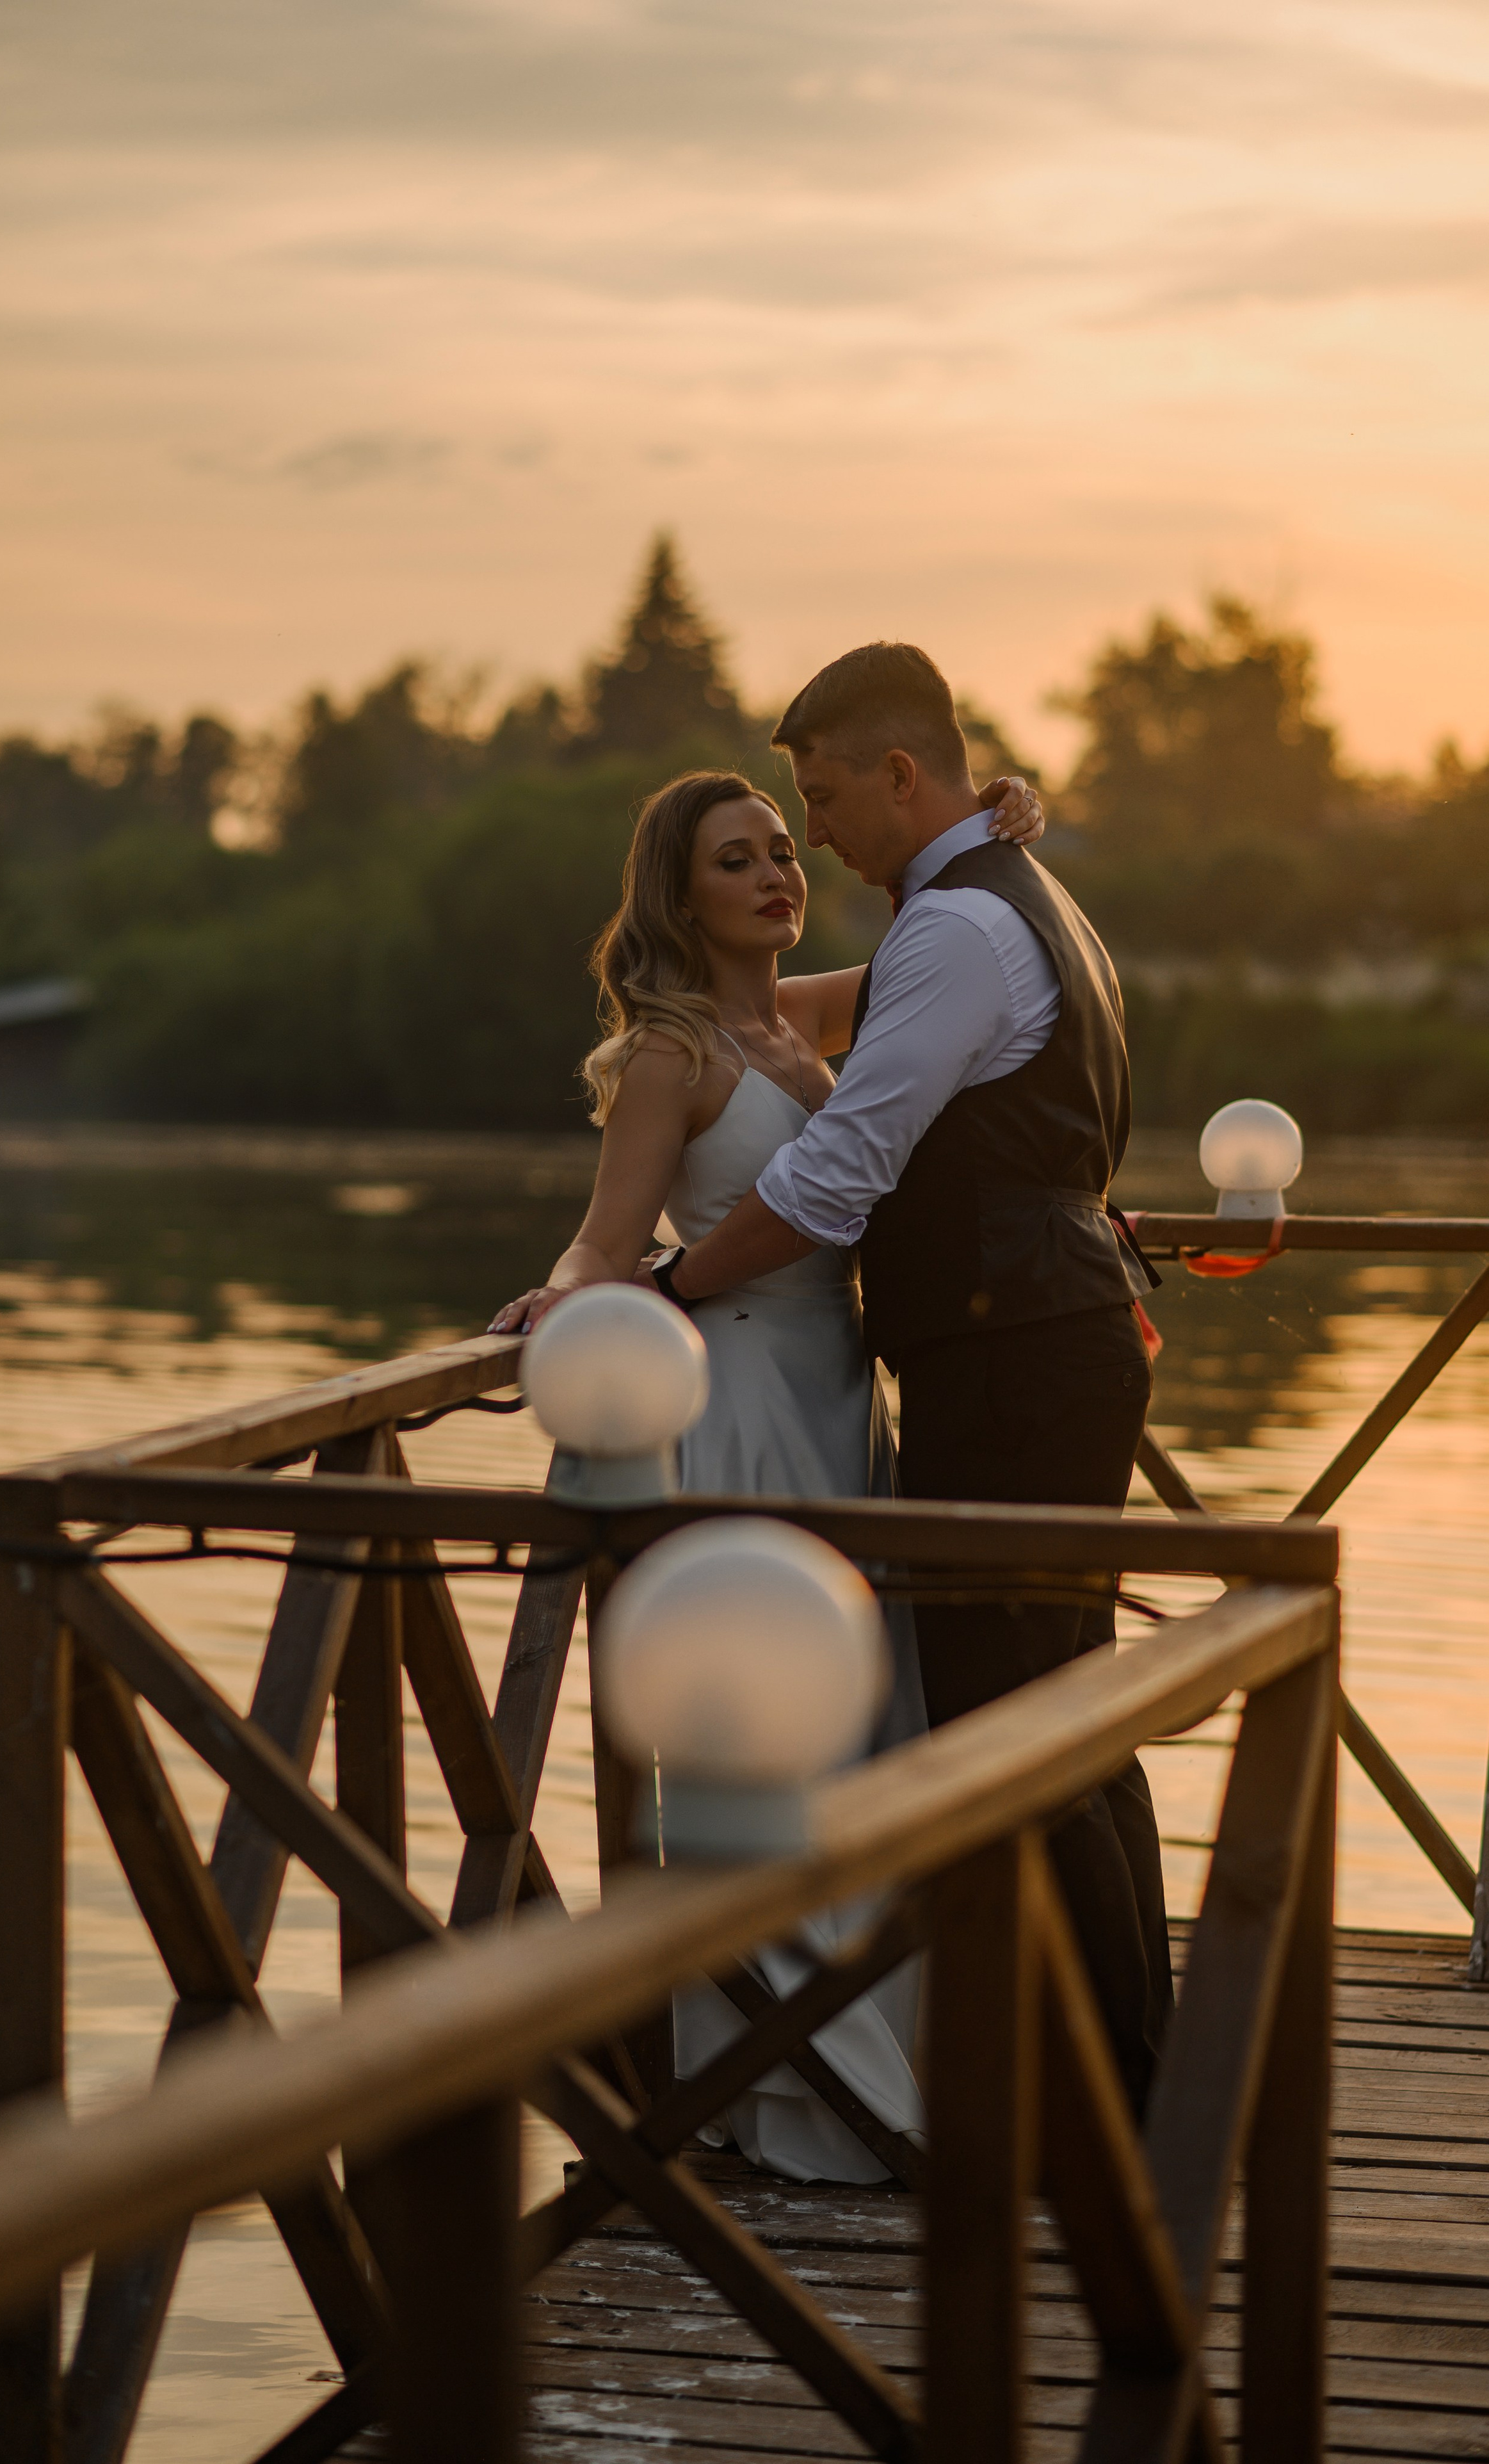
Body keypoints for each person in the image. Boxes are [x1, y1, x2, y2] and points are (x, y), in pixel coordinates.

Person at [491, 759, 1045, 2180]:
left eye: (783, 853)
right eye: (736, 860)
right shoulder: (671, 1050)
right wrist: (561, 1299)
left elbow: (953, 941)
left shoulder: (800, 1015)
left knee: (867, 1727)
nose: (776, 876)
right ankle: (778, 2099)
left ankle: (849, 2088)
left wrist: (995, 826)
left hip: (840, 1402)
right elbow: (608, 1239)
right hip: (733, 1401)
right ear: (679, 894)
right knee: (764, 1739)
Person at [648, 644, 1172, 2116]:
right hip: (1041, 1334)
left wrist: (665, 1285)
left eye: (818, 798)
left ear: (898, 773)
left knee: (1011, 1722)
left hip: (1012, 1350)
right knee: (1052, 1710)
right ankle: (1117, 2081)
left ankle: (1094, 2103)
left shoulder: (953, 929)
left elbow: (835, 1176)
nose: (810, 834)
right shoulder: (1016, 901)